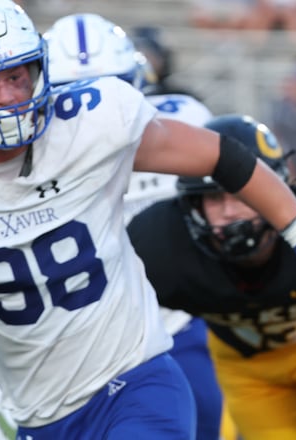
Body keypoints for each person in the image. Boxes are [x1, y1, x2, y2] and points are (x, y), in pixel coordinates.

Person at [0, 1, 296, 439]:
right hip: (38, 410)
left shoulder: (91, 120)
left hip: (136, 377)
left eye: (16, 76)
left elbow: (222, 154)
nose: (8, 97)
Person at [127, 114, 296, 440]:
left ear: (275, 191)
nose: (231, 211)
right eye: (215, 198)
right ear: (191, 205)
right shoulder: (158, 245)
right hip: (244, 368)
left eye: (243, 194)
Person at [43, 12, 225, 439]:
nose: (94, 108)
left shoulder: (182, 120)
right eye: (73, 94)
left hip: (178, 324)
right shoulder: (27, 158)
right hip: (75, 345)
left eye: (111, 89)